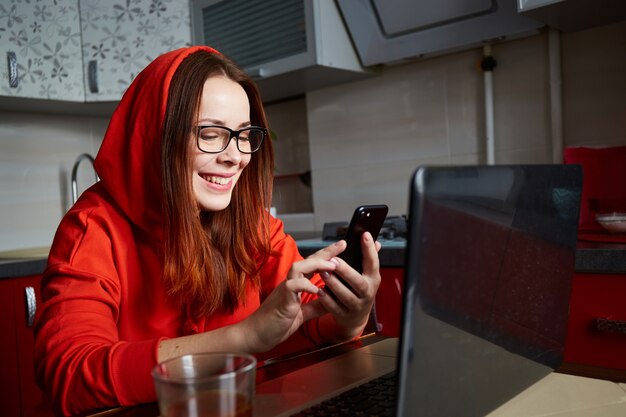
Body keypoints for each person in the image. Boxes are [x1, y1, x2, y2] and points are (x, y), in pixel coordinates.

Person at [34, 46, 382, 416]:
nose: (236, 156)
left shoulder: (254, 225)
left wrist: (349, 315)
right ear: (159, 135)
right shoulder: (92, 229)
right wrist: (243, 338)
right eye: (212, 133)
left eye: (244, 135)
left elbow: (309, 320)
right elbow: (70, 374)